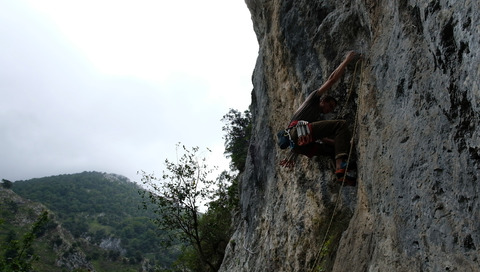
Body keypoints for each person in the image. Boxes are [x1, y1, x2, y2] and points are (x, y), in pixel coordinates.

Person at [278, 51, 358, 184]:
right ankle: (340, 166)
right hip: (298, 134)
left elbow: (323, 139)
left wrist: (345, 144)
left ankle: (341, 175)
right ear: (323, 101)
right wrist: (347, 61)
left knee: (332, 150)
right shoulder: (313, 99)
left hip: (300, 145)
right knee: (340, 125)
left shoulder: (314, 121)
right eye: (330, 105)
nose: (330, 109)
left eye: (332, 108)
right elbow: (331, 79)